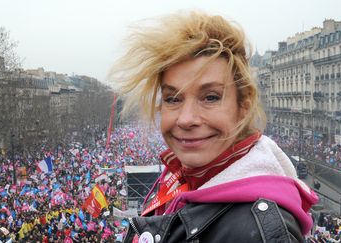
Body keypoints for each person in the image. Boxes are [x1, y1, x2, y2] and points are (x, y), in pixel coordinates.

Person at [110, 11, 318, 243]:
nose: (186, 119)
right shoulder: (180, 179)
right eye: (173, 98)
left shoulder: (256, 233)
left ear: (243, 106)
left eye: (210, 97)